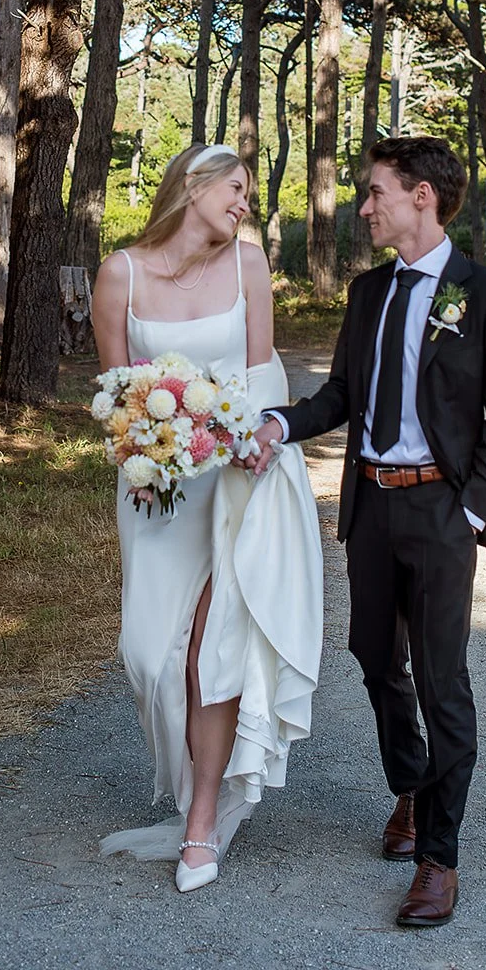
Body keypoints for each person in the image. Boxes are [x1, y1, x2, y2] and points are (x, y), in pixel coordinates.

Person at [250, 135, 486, 928]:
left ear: (421, 197)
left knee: (444, 684)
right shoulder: (368, 293)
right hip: (371, 509)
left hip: (442, 513)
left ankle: (438, 859)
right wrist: (278, 422)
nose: (363, 207)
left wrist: (472, 510)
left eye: (374, 193)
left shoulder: (485, 293)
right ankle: (411, 784)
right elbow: (339, 394)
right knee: (376, 661)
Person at [92, 143, 323, 893]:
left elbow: (261, 378)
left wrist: (246, 444)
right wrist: (149, 449)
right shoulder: (119, 274)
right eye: (236, 187)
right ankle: (194, 784)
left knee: (210, 655)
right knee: (148, 654)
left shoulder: (249, 265)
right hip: (156, 492)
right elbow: (115, 398)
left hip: (235, 490)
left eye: (249, 192)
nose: (245, 202)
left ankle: (200, 826)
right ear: (192, 187)